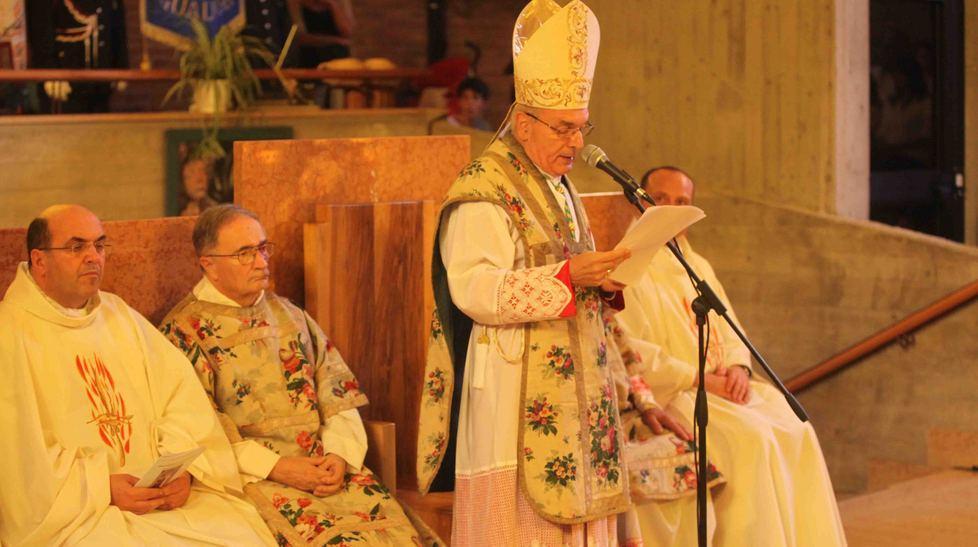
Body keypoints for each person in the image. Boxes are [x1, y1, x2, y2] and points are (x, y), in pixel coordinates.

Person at [415, 2, 688, 544]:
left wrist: (600, 280)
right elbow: (474, 288)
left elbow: (570, 267)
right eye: (565, 129)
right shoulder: (484, 189)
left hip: (581, 378)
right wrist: (567, 279)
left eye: (582, 128)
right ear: (523, 121)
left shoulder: (557, 182)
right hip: (515, 389)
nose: (577, 143)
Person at [159, 205, 436, 546]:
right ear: (209, 264)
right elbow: (201, 434)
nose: (261, 262)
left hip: (326, 469)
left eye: (262, 248)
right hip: (257, 478)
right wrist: (279, 468)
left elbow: (338, 393)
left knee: (402, 538)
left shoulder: (289, 315)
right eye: (245, 253)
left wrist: (339, 455)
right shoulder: (184, 333)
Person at [0, 204, 275, 545]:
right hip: (81, 514)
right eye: (76, 247)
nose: (93, 257)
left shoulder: (119, 315)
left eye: (99, 246)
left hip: (158, 497)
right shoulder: (9, 334)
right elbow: (18, 463)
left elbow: (180, 401)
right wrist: (103, 488)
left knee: (241, 534)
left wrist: (182, 471)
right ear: (39, 261)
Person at [616, 167, 848, 546]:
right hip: (679, 393)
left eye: (682, 203)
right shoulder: (628, 265)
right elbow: (633, 350)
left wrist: (740, 367)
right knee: (753, 439)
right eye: (660, 199)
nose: (671, 209)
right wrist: (702, 379)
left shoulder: (697, 265)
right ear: (638, 200)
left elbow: (730, 328)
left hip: (723, 387)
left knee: (795, 426)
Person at [287, 0, 355, 68]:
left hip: (339, 60)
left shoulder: (342, 2)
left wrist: (332, 4)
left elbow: (347, 32)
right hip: (309, 58)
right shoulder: (295, 3)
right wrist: (335, 41)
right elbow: (299, 37)